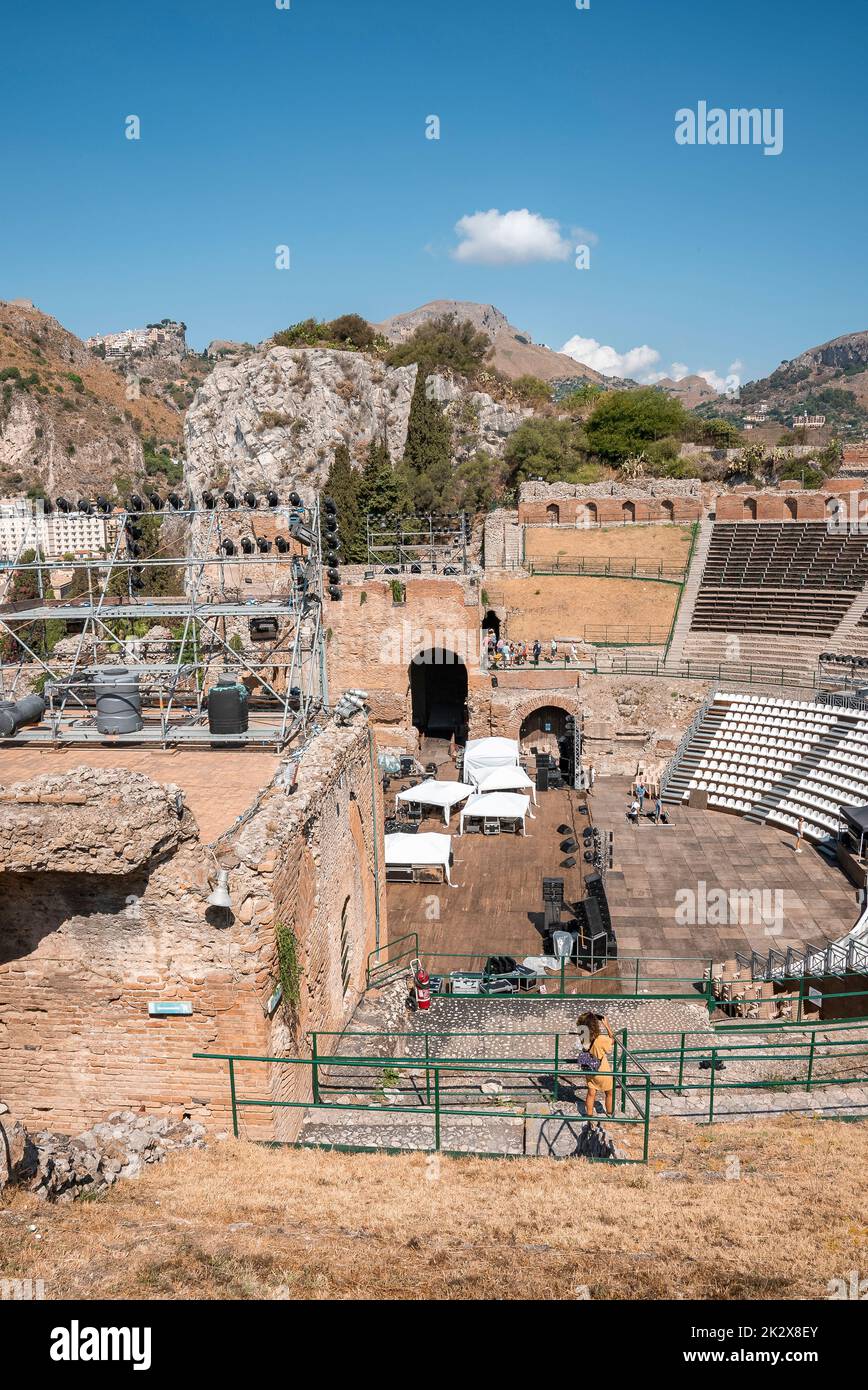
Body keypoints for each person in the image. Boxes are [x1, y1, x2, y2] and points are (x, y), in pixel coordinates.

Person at [576, 1011, 615, 1116]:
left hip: (590, 1069)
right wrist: (607, 1026)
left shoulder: (583, 1037)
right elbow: (613, 1040)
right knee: (609, 1093)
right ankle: (610, 1114)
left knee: (591, 1093)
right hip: (602, 1071)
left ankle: (590, 1116)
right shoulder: (601, 1039)